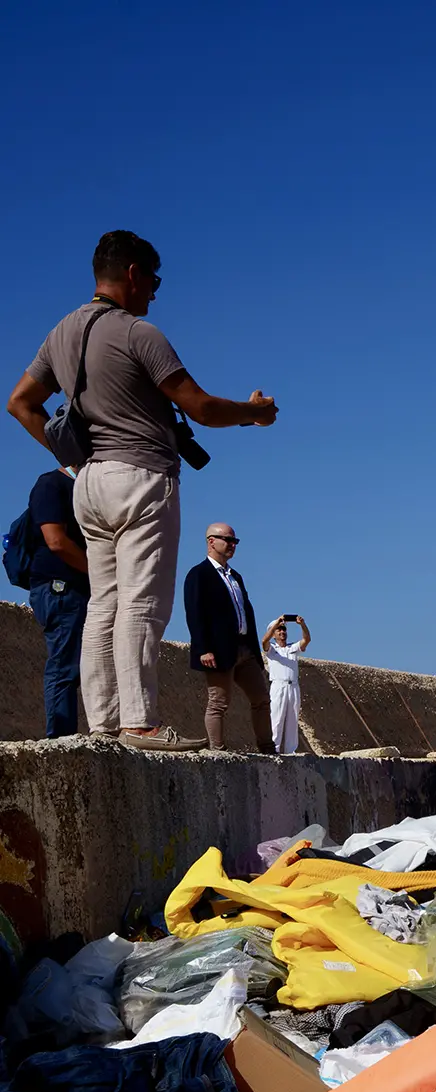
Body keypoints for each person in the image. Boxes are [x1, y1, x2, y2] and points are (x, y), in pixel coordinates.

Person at [7, 230, 277, 750]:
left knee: (103, 605)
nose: (155, 290)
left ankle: (106, 724)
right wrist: (254, 415)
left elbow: (20, 401)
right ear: (132, 274)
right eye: (153, 279)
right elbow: (199, 406)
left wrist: (73, 457)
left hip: (89, 482)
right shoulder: (138, 333)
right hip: (142, 477)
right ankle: (140, 722)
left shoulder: (60, 333)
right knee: (141, 605)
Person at [183, 524, 272, 752]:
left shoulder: (235, 576)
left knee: (261, 698)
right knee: (218, 703)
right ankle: (218, 750)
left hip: (245, 649)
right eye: (228, 540)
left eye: (235, 541)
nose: (233, 545)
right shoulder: (198, 574)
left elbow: (245, 611)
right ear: (211, 541)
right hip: (219, 650)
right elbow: (194, 613)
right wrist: (203, 648)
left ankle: (267, 746)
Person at [20, 465, 90, 737]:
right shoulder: (52, 484)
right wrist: (101, 573)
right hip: (60, 588)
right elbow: (56, 541)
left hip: (80, 588)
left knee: (78, 666)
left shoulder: (86, 488)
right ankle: (60, 741)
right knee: (64, 666)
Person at [262, 614, 310, 754]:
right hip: (278, 686)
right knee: (276, 719)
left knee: (292, 720)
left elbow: (307, 640)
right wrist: (277, 621)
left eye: (283, 629)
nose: (282, 632)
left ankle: (291, 751)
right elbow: (264, 640)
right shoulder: (271, 649)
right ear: (273, 633)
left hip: (293, 686)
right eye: (279, 630)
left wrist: (302, 624)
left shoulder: (292, 648)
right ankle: (273, 749)